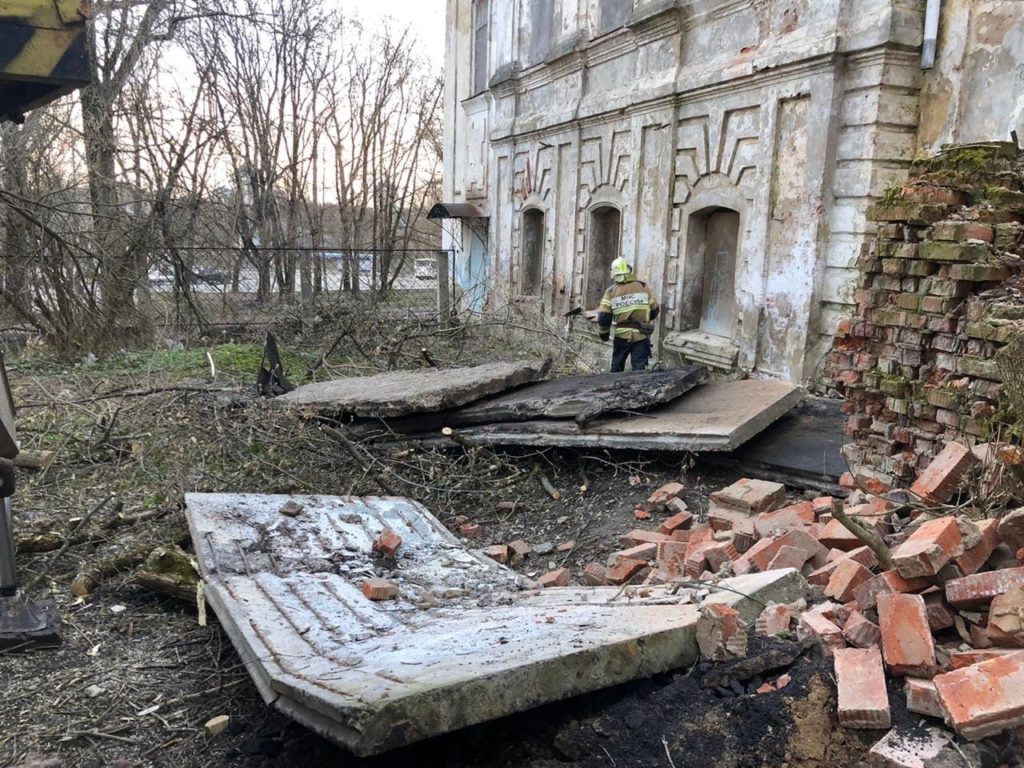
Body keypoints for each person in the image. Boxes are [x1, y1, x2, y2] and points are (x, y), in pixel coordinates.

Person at [597, 257, 660, 372]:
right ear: (629, 270)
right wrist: (643, 319)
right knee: (640, 371)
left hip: (622, 336)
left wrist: (604, 335)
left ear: (613, 274)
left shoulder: (611, 291)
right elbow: (655, 310)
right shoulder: (643, 287)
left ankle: (614, 389)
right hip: (641, 335)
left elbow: (603, 317)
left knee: (616, 369)